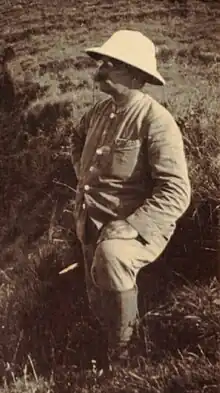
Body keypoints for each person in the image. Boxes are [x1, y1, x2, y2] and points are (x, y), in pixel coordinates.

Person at [70, 30, 191, 373]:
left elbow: (176, 191)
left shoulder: (156, 121)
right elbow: (76, 139)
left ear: (137, 76)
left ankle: (123, 361)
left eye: (113, 64)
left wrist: (131, 224)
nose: (102, 68)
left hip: (135, 228)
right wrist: (84, 178)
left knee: (112, 257)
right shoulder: (98, 112)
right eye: (102, 61)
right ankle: (106, 344)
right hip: (92, 221)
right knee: (98, 296)